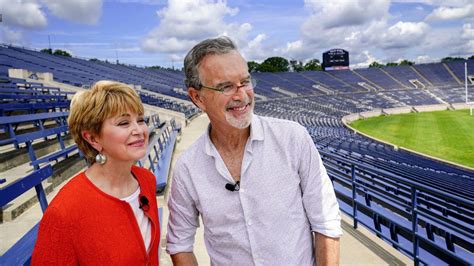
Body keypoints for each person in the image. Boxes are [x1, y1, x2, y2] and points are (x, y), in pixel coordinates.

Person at [166, 36, 342, 265]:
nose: (241, 95)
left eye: (245, 82)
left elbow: (326, 221)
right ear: (197, 97)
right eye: (226, 87)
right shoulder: (187, 168)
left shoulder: (293, 138)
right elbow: (180, 244)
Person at [32, 81, 160, 265]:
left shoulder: (147, 180)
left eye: (140, 120)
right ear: (92, 138)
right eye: (124, 123)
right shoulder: (65, 212)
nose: (139, 130)